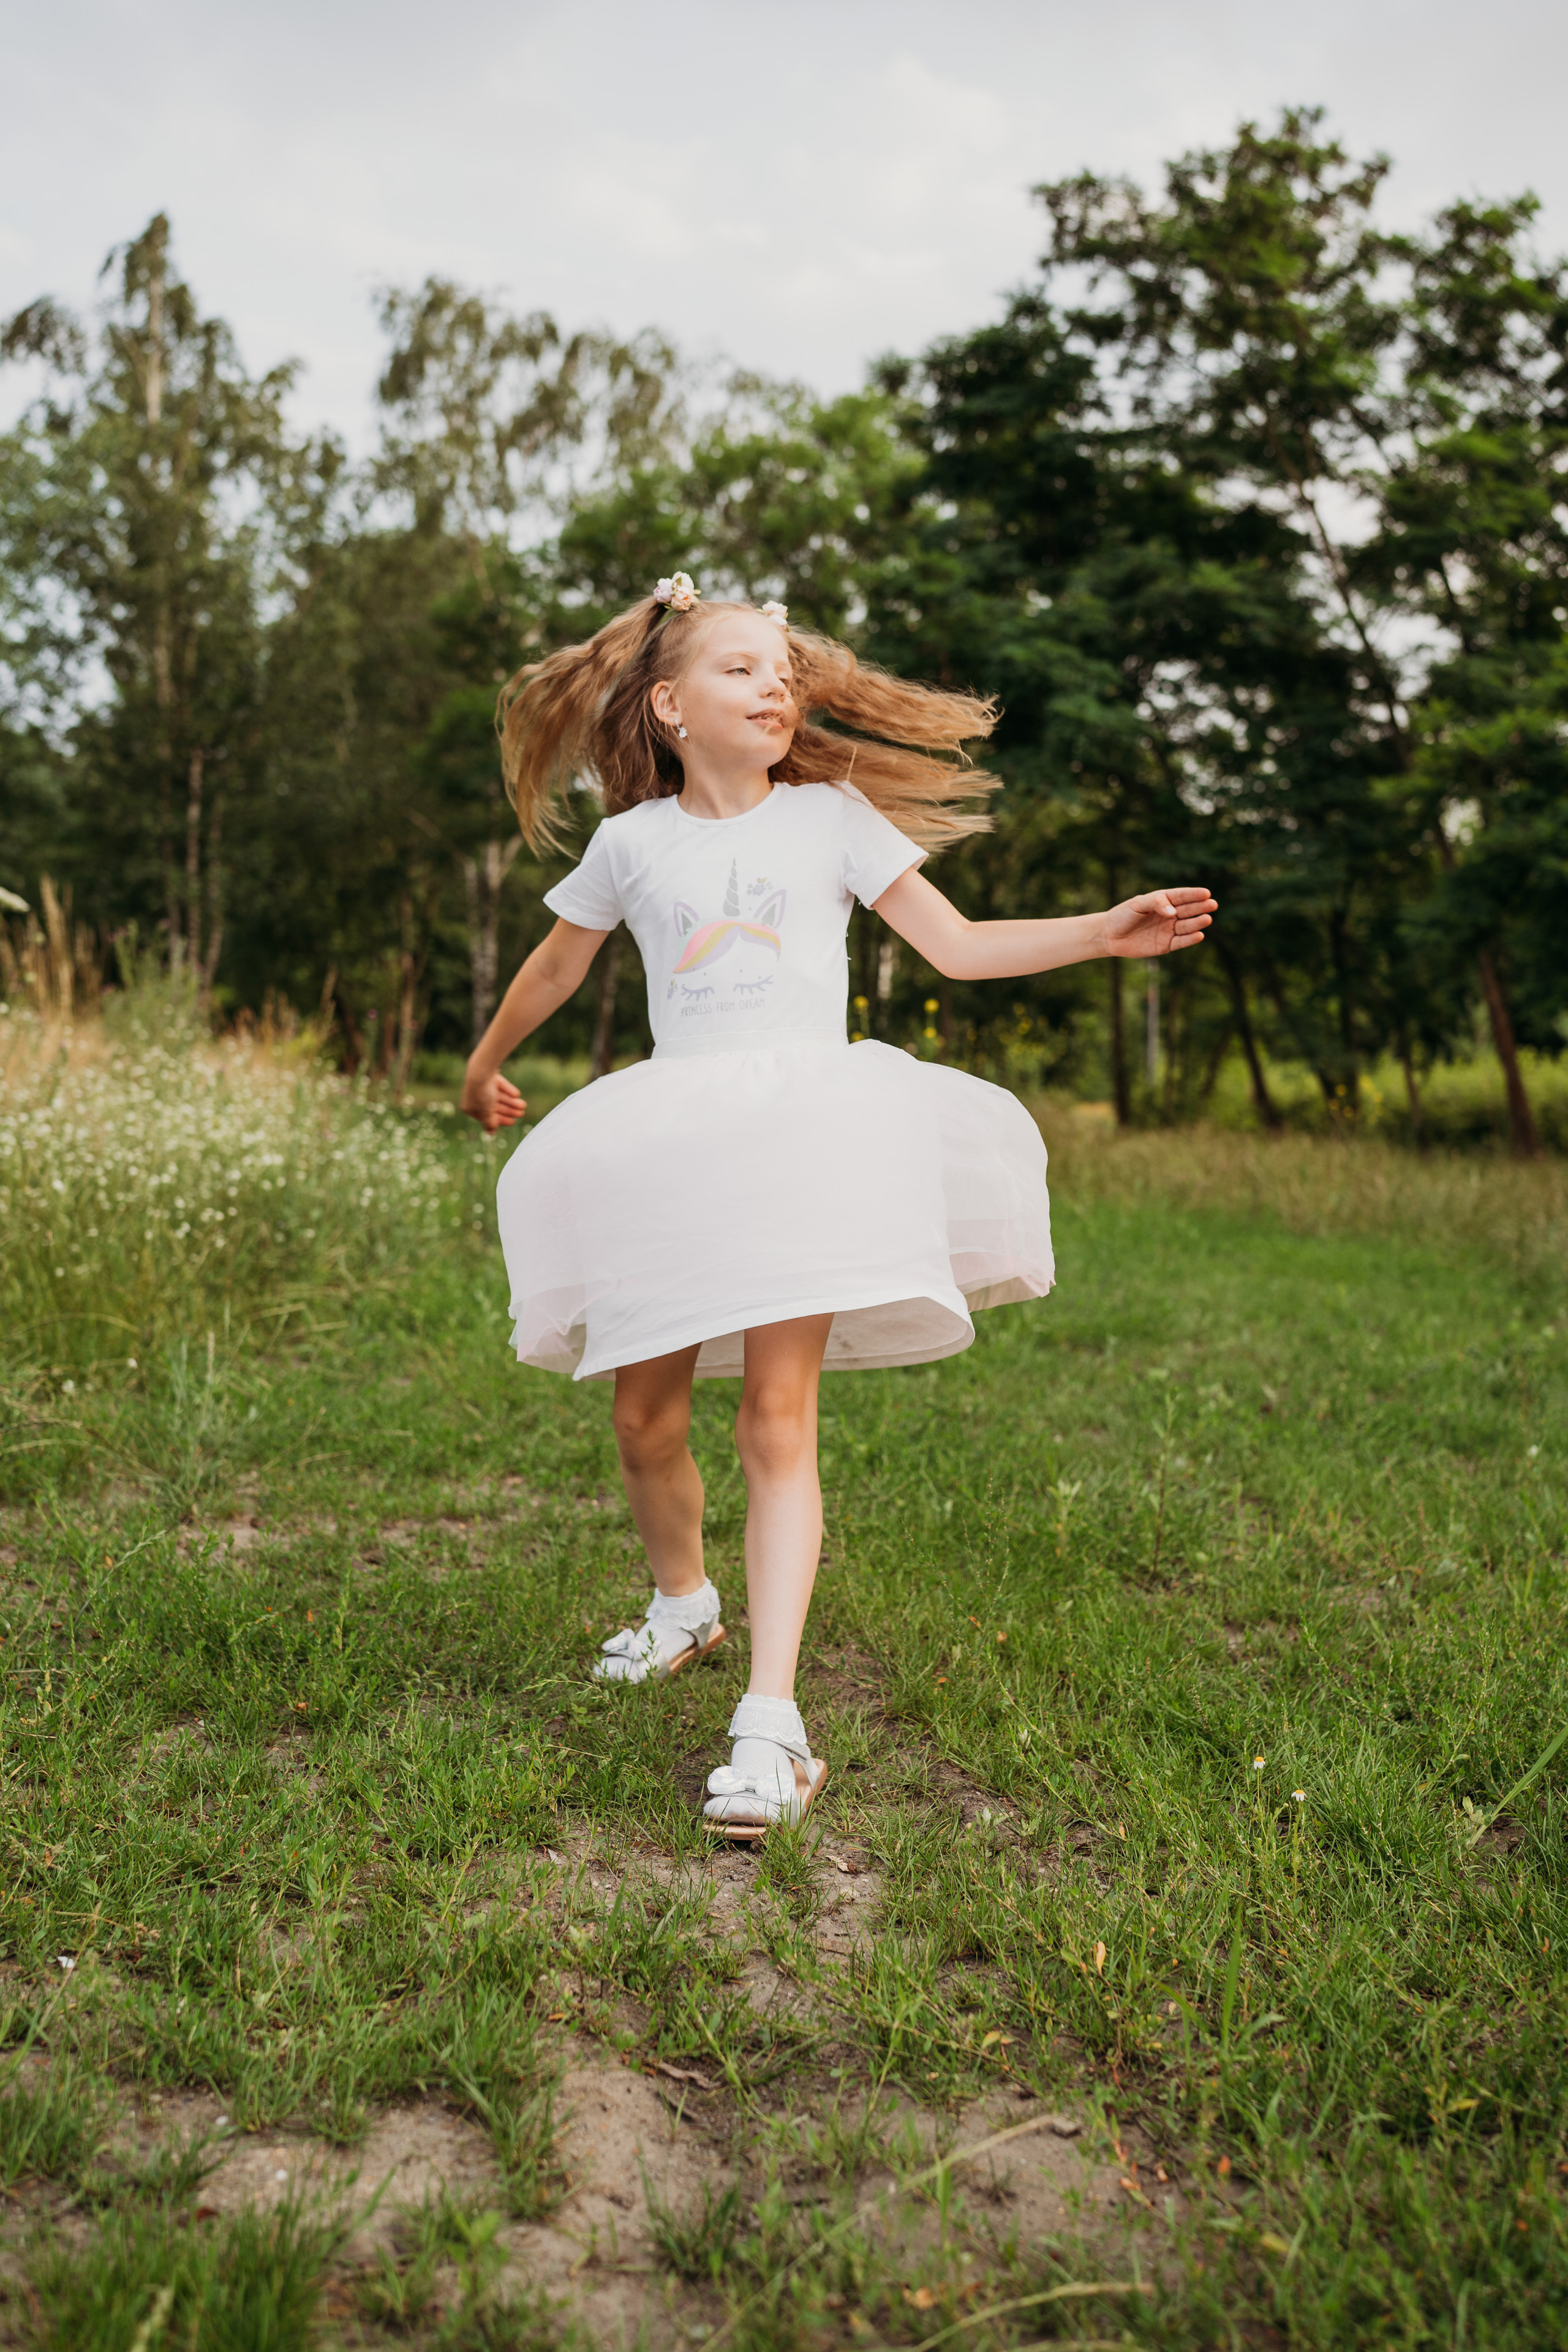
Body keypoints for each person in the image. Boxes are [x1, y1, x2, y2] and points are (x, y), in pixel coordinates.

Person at [461, 575, 1215, 1840]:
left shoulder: (833, 820)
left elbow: (958, 948)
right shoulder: (631, 844)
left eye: (784, 674)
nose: (776, 688)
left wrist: (1102, 931)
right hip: (673, 1138)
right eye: (744, 669)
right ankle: (683, 1606)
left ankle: (772, 1727)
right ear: (668, 703)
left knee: (773, 1415)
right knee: (643, 1420)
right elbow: (554, 960)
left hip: (805, 1143)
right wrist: (485, 1060)